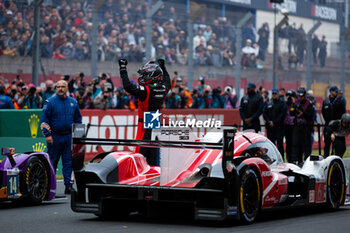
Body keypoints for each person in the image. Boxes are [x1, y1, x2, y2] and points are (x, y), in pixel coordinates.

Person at [118, 58, 171, 165]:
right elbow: (167, 80)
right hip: (155, 126)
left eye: (144, 75)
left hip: (144, 128)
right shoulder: (163, 89)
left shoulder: (146, 91)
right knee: (153, 161)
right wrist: (163, 67)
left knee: (138, 160)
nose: (141, 77)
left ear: (152, 76)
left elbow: (127, 86)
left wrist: (123, 68)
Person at [41, 80, 82, 194]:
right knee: (52, 162)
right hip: (55, 137)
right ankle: (49, 186)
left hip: (68, 137)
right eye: (58, 86)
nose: (60, 89)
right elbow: (44, 120)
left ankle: (68, 186)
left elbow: (78, 120)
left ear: (67, 88)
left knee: (68, 162)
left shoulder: (73, 102)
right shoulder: (50, 102)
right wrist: (48, 135)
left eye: (62, 87)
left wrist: (77, 137)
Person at [291, 87, 314, 164]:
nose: (300, 98)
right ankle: (298, 160)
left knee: (306, 144)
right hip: (297, 126)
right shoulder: (295, 103)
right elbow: (291, 113)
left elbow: (310, 115)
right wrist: (294, 109)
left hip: (306, 127)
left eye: (301, 96)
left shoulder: (309, 103)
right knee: (297, 144)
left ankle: (307, 161)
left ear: (304, 96)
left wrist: (303, 113)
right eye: (299, 96)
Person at [322, 86, 346, 157]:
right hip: (328, 124)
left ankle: (337, 158)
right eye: (335, 91)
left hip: (337, 125)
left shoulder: (340, 101)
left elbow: (343, 112)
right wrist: (328, 122)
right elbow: (323, 112)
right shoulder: (326, 101)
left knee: (338, 144)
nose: (336, 93)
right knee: (327, 143)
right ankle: (326, 157)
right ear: (331, 91)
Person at [263, 89, 286, 156]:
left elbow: (282, 114)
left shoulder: (282, 103)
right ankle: (271, 158)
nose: (274, 95)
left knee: (279, 144)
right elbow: (265, 113)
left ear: (278, 94)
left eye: (275, 94)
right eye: (273, 94)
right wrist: (268, 121)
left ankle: (281, 158)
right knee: (271, 145)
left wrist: (274, 122)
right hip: (270, 127)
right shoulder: (268, 103)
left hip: (279, 127)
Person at [284, 89, 297, 162]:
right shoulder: (284, 105)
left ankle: (294, 159)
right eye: (288, 96)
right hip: (286, 126)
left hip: (294, 126)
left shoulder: (296, 104)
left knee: (294, 143)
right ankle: (289, 158)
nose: (289, 97)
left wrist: (293, 102)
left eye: (291, 96)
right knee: (288, 143)